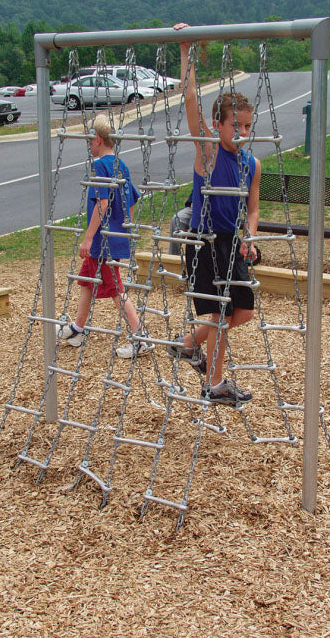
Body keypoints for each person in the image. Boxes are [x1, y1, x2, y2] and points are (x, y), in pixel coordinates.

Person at [167, 22, 261, 406]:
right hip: (205, 243)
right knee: (221, 314)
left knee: (243, 313)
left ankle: (188, 345)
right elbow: (190, 100)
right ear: (216, 125)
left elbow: (252, 209)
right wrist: (186, 49)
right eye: (234, 126)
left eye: (247, 126)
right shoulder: (209, 152)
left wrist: (250, 236)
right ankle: (215, 384)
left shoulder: (251, 164)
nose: (240, 133)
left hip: (231, 243)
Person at [57, 113, 154, 359]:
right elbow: (131, 199)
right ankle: (78, 329)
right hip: (115, 236)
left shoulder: (100, 165)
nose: (90, 145)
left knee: (114, 289)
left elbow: (101, 202)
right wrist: (125, 227)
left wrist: (89, 238)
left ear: (98, 139)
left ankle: (140, 337)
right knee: (87, 280)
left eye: (90, 140)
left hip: (103, 241)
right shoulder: (122, 165)